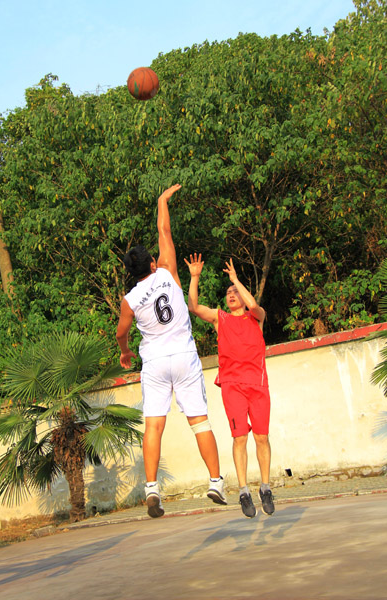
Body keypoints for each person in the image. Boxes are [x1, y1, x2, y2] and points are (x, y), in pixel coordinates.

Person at [116, 185, 226, 518]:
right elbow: (164, 230)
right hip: (183, 356)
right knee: (199, 421)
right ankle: (216, 482)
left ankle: (152, 489)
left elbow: (121, 332)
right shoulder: (167, 271)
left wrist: (125, 352)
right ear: (152, 263)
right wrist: (162, 201)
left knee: (154, 426)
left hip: (154, 361)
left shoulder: (129, 300)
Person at [185, 253, 275, 518]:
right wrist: (194, 277)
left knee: (262, 437)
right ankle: (244, 491)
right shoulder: (220, 318)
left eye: (235, 292)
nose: (231, 294)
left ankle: (266, 488)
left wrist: (235, 279)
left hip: (258, 385)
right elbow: (194, 307)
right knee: (240, 437)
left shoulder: (256, 317)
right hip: (233, 386)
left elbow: (254, 305)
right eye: (228, 292)